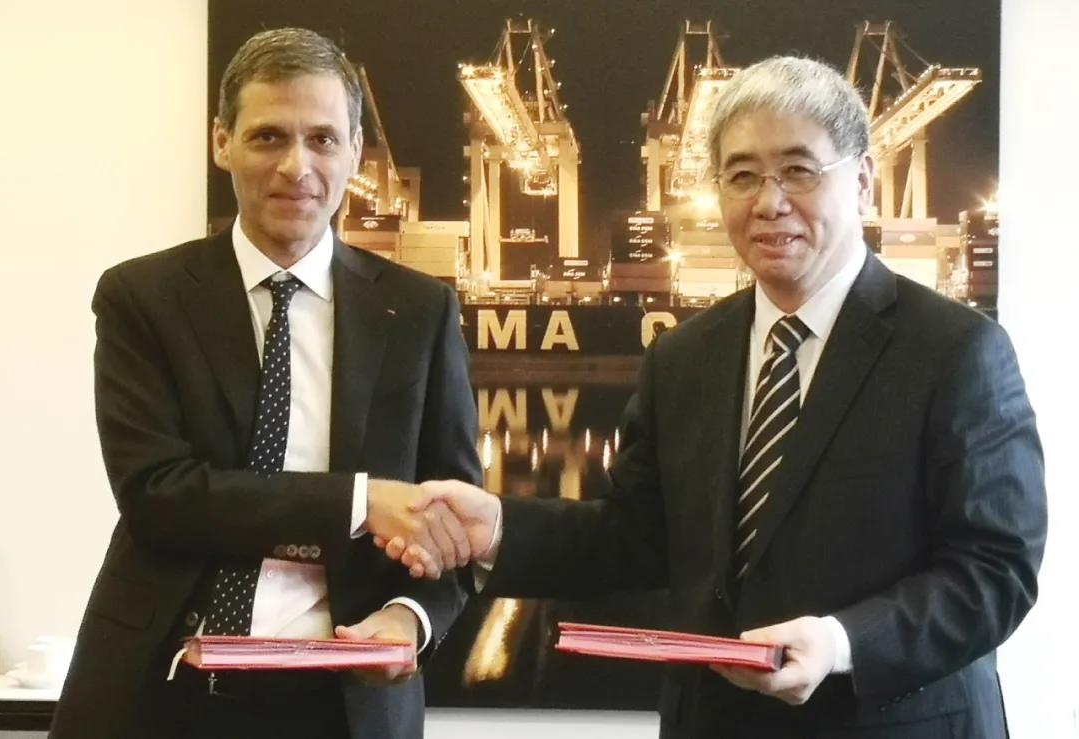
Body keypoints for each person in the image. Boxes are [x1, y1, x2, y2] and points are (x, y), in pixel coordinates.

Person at [381, 56, 1047, 738]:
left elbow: (996, 569)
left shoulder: (957, 351)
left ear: (863, 182)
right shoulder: (683, 357)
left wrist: (841, 641)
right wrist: (497, 528)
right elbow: (635, 537)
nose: (769, 202)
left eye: (798, 170)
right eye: (742, 175)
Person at [51, 27, 479, 739]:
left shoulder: (420, 312)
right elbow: (159, 493)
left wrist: (409, 618)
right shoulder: (142, 297)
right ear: (222, 142)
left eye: (322, 139)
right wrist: (361, 503)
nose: (295, 166)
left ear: (355, 151)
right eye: (268, 137)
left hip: (345, 703)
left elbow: (451, 520)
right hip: (164, 691)